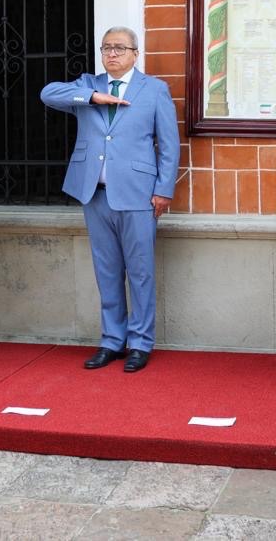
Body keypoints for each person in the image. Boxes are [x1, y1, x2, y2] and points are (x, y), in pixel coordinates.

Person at [40, 26, 180, 373]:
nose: (112, 53)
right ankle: (112, 340)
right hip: (95, 194)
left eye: (120, 48)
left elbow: (169, 145)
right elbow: (48, 93)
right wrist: (93, 98)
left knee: (140, 271)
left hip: (138, 194)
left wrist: (164, 190)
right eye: (106, 48)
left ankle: (140, 342)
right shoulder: (89, 84)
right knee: (107, 271)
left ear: (135, 53)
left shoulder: (154, 89)